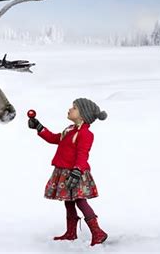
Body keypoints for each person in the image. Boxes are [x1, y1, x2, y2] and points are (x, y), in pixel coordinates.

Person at [28, 98, 108, 246]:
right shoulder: (69, 129)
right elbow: (54, 138)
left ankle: (98, 232)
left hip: (75, 172)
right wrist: (39, 127)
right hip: (63, 171)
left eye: (74, 108)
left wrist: (77, 171)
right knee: (68, 202)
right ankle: (71, 232)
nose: (70, 109)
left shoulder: (85, 134)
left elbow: (83, 154)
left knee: (80, 201)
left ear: (83, 115)